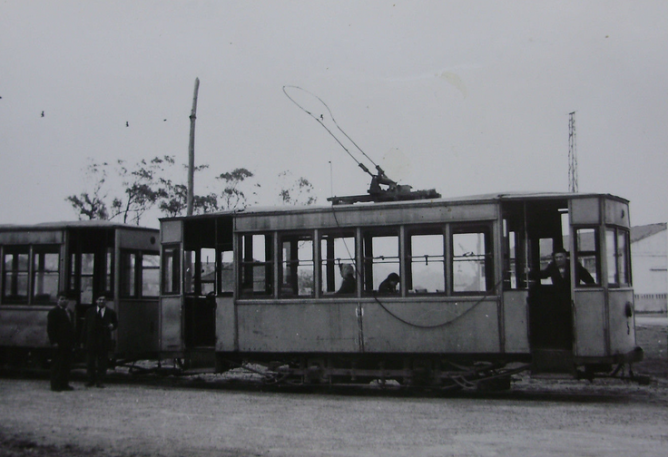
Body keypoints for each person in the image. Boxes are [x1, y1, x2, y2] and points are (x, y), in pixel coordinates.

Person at [83, 296, 118, 388]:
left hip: (104, 340)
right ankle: (90, 380)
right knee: (90, 361)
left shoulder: (110, 312)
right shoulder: (90, 311)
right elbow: (85, 326)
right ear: (96, 301)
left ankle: (100, 381)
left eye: (103, 300)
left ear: (106, 301)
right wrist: (83, 340)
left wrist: (112, 326)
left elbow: (115, 324)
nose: (101, 301)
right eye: (99, 299)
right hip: (91, 340)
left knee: (102, 362)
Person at [46, 293, 76, 391]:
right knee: (57, 364)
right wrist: (54, 341)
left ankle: (64, 384)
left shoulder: (69, 312)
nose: (64, 301)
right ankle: (55, 385)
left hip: (68, 342)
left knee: (66, 364)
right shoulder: (53, 312)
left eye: (66, 299)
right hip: (59, 342)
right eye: (62, 299)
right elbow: (51, 328)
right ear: (58, 300)